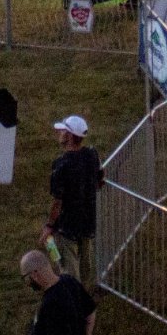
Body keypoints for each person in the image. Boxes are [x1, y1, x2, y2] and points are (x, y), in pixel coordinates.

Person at [44, 115, 103, 285]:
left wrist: (49, 226)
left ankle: (74, 301)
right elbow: (100, 178)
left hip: (68, 225)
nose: (59, 132)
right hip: (87, 222)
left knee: (68, 269)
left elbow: (57, 201)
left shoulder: (61, 165)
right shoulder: (91, 154)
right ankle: (85, 297)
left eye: (62, 130)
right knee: (86, 265)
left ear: (69, 136)